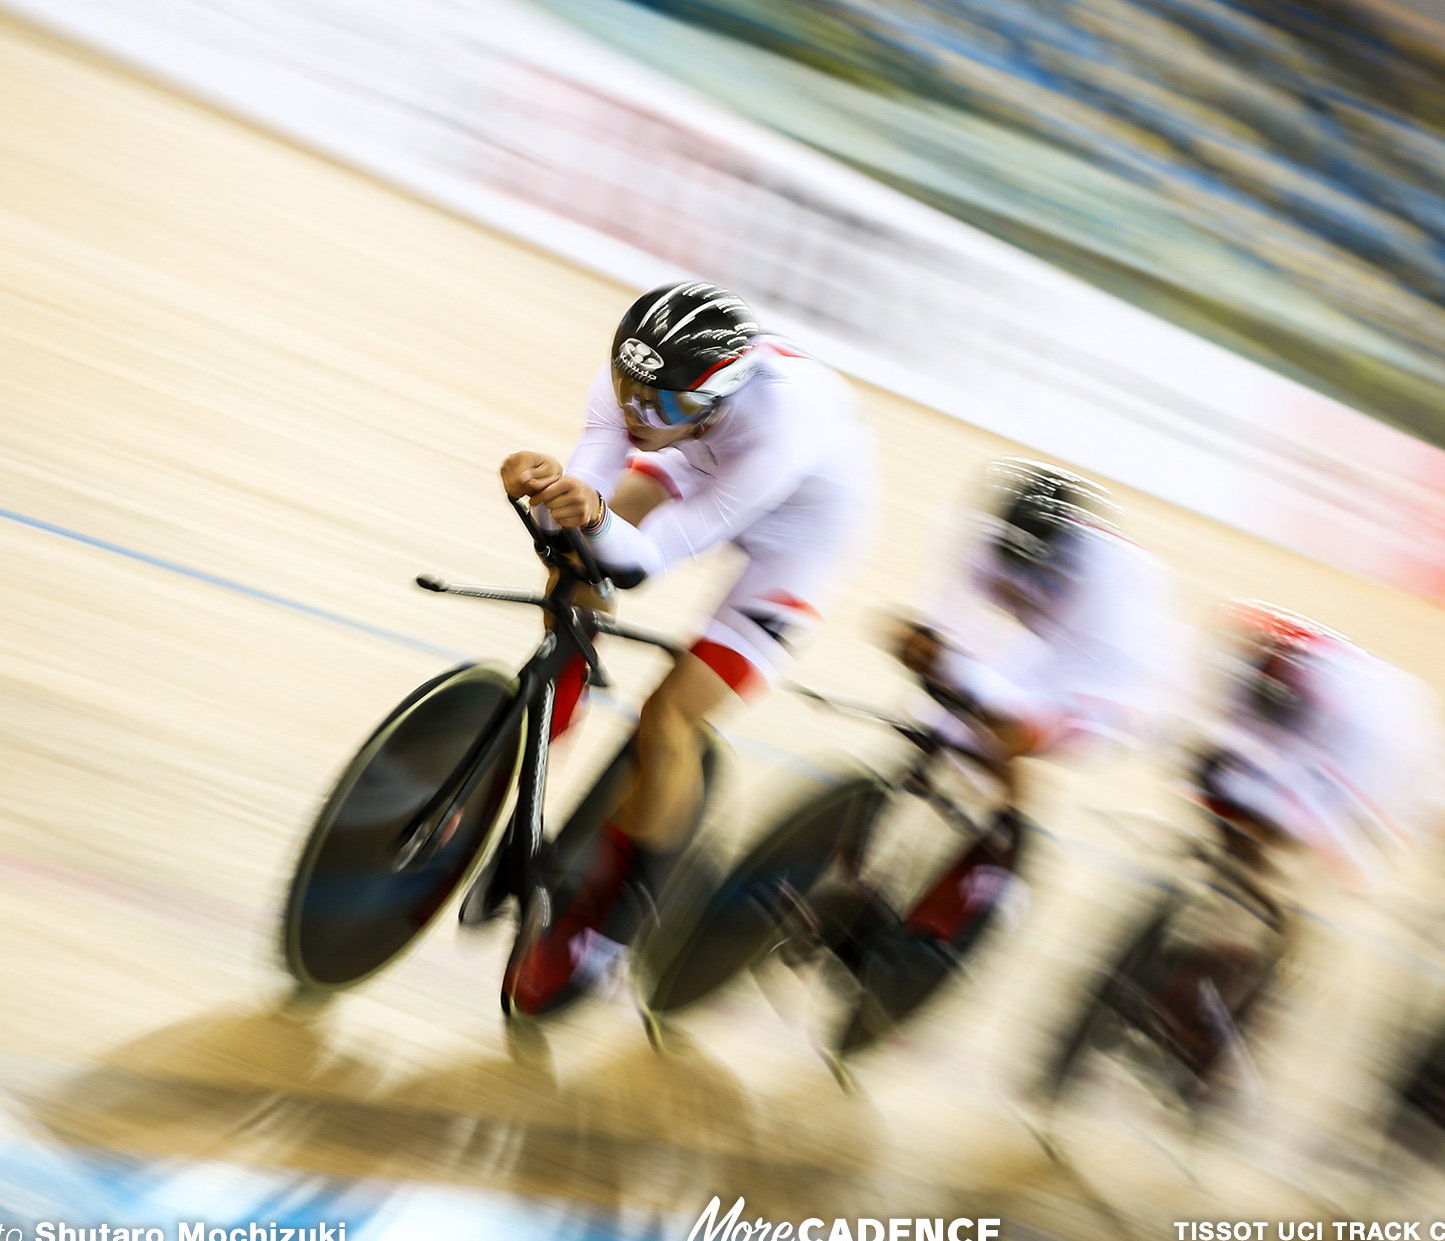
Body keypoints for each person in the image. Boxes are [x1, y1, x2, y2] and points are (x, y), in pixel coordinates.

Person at [496, 280, 876, 1013]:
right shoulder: (646, 386)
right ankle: (548, 731)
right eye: (629, 390)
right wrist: (545, 492)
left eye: (662, 403)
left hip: (798, 539)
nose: (638, 414)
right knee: (575, 568)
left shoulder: (779, 428)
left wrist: (590, 518)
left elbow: (643, 559)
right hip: (697, 459)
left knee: (670, 717)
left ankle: (609, 930)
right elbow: (590, 489)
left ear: (717, 399)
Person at [883, 458, 1187, 951]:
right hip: (1052, 649)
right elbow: (943, 628)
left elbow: (1026, 700)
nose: (1011, 562)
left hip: (1116, 682)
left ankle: (1007, 861)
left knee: (1004, 729)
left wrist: (961, 681)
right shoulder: (975, 532)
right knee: (953, 708)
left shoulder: (1104, 578)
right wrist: (930, 650)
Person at [1193, 601, 1443, 888]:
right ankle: (1252, 869)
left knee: (1234, 780)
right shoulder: (1304, 671)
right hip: (1368, 740)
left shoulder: (1312, 683)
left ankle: (1253, 874)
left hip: (1366, 757)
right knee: (1237, 779)